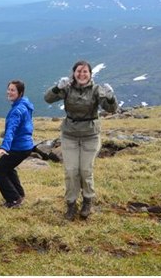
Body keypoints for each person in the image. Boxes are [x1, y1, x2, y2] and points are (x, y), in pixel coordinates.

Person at [44, 60, 118, 221]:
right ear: (73, 73)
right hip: (69, 134)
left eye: (85, 72)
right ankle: (71, 204)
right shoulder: (67, 88)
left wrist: (111, 98)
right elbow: (48, 99)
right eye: (79, 71)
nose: (82, 74)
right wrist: (57, 87)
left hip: (90, 136)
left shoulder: (97, 90)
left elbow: (111, 109)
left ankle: (87, 200)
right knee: (71, 171)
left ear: (90, 74)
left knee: (85, 170)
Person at [0, 80, 35, 208]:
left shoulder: (17, 110)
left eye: (13, 90)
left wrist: (4, 147)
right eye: (9, 89)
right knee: (8, 168)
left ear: (20, 93)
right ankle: (19, 194)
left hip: (19, 147)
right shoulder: (24, 104)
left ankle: (14, 199)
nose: (9, 92)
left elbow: (11, 130)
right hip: (25, 145)